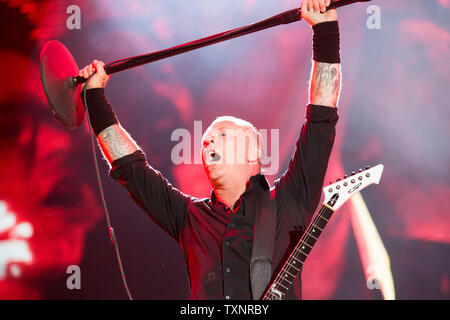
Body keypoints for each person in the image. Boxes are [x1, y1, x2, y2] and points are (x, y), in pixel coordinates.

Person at [78, 0, 341, 300]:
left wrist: (324, 30)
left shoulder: (290, 200)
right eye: (205, 142)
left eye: (222, 135)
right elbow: (131, 169)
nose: (208, 143)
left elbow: (321, 118)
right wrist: (95, 96)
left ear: (253, 151)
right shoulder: (191, 217)